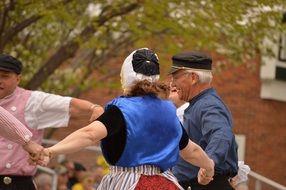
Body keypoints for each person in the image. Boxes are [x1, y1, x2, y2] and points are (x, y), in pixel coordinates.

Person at [34, 48, 215, 190]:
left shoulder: (122, 110)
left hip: (127, 182)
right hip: (164, 183)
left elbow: (89, 134)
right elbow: (190, 150)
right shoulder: (168, 110)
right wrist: (208, 166)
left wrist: (51, 151)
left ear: (125, 76)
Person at [0, 54, 104, 190]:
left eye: (5, 76)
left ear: (18, 79)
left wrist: (93, 107)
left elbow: (69, 104)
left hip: (15, 183)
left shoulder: (32, 101)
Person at [169, 51, 238, 190]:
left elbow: (222, 134)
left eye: (176, 77)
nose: (172, 83)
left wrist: (210, 163)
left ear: (193, 78)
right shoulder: (201, 104)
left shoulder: (208, 105)